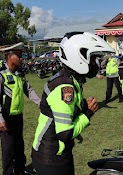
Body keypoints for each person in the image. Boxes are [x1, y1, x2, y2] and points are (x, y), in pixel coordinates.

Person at [31, 32, 115, 175]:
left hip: (56, 154)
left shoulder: (70, 80)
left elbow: (68, 113)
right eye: (93, 58)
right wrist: (88, 113)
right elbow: (64, 134)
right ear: (79, 58)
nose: (96, 63)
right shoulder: (64, 88)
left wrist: (82, 107)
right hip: (51, 158)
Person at [0, 51, 41, 175]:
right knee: (8, 148)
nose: (20, 58)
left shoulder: (19, 74)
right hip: (5, 117)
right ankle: (8, 172)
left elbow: (28, 90)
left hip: (18, 116)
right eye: (17, 56)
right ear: (9, 57)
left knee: (19, 144)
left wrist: (41, 103)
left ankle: (20, 169)